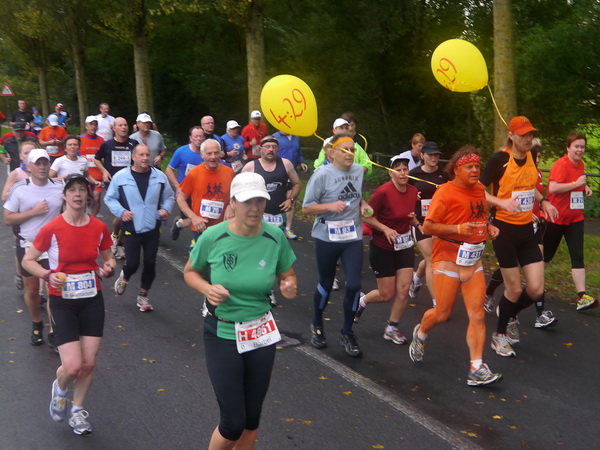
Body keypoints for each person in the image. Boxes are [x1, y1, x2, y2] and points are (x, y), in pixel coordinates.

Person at [183, 172, 297, 449]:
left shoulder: (275, 236)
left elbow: (287, 273)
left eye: (260, 201)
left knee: (251, 420)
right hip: (222, 332)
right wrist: (207, 288)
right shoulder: (214, 236)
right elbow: (191, 272)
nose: (255, 208)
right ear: (232, 202)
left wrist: (289, 284)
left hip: (260, 333)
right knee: (233, 423)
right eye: (247, 202)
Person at [22, 173, 116, 436]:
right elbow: (28, 261)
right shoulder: (52, 228)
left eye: (82, 190)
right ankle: (61, 388)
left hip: (91, 299)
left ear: (88, 195)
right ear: (64, 196)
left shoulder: (98, 227)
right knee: (72, 366)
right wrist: (47, 275)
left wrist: (108, 268)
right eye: (72, 190)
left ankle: (77, 411)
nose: (77, 194)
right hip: (62, 301)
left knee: (89, 363)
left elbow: (109, 257)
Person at [408, 146, 503, 387]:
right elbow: (428, 226)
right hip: (447, 259)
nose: (474, 171)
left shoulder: (479, 189)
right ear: (457, 169)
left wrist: (488, 227)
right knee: (442, 313)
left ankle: (476, 368)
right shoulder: (445, 192)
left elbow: (478, 216)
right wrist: (457, 229)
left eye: (477, 166)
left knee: (478, 315)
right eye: (469, 167)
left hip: (473, 261)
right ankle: (421, 333)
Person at [481, 116, 558, 357]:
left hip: (526, 229)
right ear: (511, 135)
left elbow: (530, 185)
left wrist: (543, 201)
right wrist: (500, 202)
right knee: (514, 290)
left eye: (530, 134)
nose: (528, 139)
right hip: (504, 230)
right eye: (523, 135)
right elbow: (478, 192)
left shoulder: (531, 157)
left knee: (536, 289)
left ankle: (511, 314)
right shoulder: (499, 160)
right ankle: (499, 335)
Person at [302, 133, 372, 357]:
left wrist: (363, 205)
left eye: (352, 149)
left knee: (354, 285)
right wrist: (330, 206)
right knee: (326, 282)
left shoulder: (358, 171)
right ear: (332, 152)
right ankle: (317, 323)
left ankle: (346, 332)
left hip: (352, 236)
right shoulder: (322, 174)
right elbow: (306, 207)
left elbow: (356, 196)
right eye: (345, 149)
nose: (350, 153)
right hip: (327, 236)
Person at [354, 156, 421, 345]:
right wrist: (385, 229)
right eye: (398, 169)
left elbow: (408, 215)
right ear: (390, 173)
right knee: (386, 294)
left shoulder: (413, 191)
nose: (402, 173)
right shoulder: (382, 192)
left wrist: (419, 225)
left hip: (404, 245)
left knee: (404, 289)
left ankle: (392, 328)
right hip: (382, 245)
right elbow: (365, 217)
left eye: (405, 169)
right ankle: (362, 301)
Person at [3, 149, 63, 346]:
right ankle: (37, 323)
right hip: (29, 245)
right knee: (32, 290)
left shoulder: (59, 187)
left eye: (45, 163)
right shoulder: (20, 189)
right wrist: (33, 212)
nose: (42, 167)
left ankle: (54, 331)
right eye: (38, 163)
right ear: (29, 166)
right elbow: (8, 219)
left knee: (53, 289)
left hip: (53, 245)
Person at [104, 144, 175, 312]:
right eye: (141, 155)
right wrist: (121, 211)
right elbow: (110, 198)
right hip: (131, 229)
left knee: (150, 263)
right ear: (133, 157)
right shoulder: (121, 177)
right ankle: (125, 275)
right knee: (133, 263)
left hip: (152, 228)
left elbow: (170, 196)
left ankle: (143, 296)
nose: (145, 158)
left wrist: (166, 209)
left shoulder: (159, 176)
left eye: (147, 154)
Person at [544, 131, 597, 311]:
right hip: (556, 218)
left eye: (582, 147)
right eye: (576, 146)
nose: (580, 150)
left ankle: (582, 297)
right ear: (568, 147)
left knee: (578, 256)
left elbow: (576, 182)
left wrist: (585, 187)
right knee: (546, 256)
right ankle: (533, 287)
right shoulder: (561, 164)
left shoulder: (580, 164)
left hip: (575, 218)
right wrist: (576, 184)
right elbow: (553, 187)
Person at [408, 141, 448, 306]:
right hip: (420, 223)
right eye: (430, 154)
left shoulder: (444, 175)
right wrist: (411, 196)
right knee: (432, 259)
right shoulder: (413, 174)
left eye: (436, 154)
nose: (434, 157)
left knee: (433, 256)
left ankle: (416, 278)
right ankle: (436, 302)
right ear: (422, 155)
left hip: (440, 223)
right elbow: (403, 193)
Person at [173, 139, 235, 245]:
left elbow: (236, 196)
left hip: (222, 227)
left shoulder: (229, 173)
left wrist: (230, 206)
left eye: (216, 153)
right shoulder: (194, 173)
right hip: (200, 226)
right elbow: (181, 198)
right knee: (203, 254)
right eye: (209, 153)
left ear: (220, 154)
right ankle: (180, 224)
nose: (213, 157)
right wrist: (193, 217)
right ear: (202, 155)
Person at [94, 117, 138, 259]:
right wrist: (104, 171)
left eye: (125, 125)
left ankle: (120, 241)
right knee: (122, 213)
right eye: (120, 125)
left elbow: (138, 160)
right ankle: (115, 236)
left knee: (129, 214)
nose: (123, 127)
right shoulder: (107, 145)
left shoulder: (133, 144)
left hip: (130, 183)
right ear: (114, 128)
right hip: (113, 183)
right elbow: (96, 158)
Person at [242, 136, 301, 234]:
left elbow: (297, 184)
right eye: (267, 146)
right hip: (256, 213)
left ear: (278, 149)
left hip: (279, 214)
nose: (271, 150)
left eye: (274, 147)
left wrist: (291, 199)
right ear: (260, 149)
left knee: (277, 241)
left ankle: (287, 229)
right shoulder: (250, 166)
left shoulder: (286, 164)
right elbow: (239, 190)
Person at [274, 130, 307, 239]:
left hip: (292, 172)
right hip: (278, 172)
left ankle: (288, 228)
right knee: (276, 199)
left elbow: (298, 150)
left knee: (292, 200)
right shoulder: (275, 137)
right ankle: (274, 226)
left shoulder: (296, 137)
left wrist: (301, 161)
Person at [79, 116, 106, 216]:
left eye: (95, 124)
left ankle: (93, 219)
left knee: (97, 197)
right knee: (85, 199)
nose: (93, 127)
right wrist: (79, 157)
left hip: (98, 175)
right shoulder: (80, 139)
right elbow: (73, 154)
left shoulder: (101, 140)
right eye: (91, 124)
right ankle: (83, 216)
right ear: (86, 126)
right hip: (84, 175)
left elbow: (105, 156)